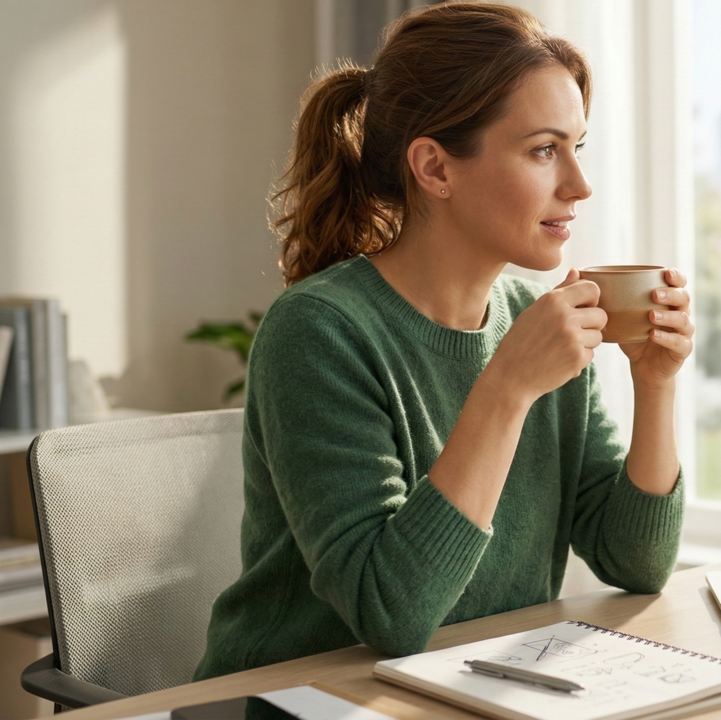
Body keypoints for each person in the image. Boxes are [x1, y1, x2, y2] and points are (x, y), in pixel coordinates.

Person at [194, 2, 692, 679]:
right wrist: (508, 388)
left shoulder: (537, 320)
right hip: (309, 701)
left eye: (578, 147)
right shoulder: (319, 332)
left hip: (473, 689)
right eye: (545, 150)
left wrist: (655, 383)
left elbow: (636, 563)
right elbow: (390, 613)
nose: (580, 185)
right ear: (435, 168)